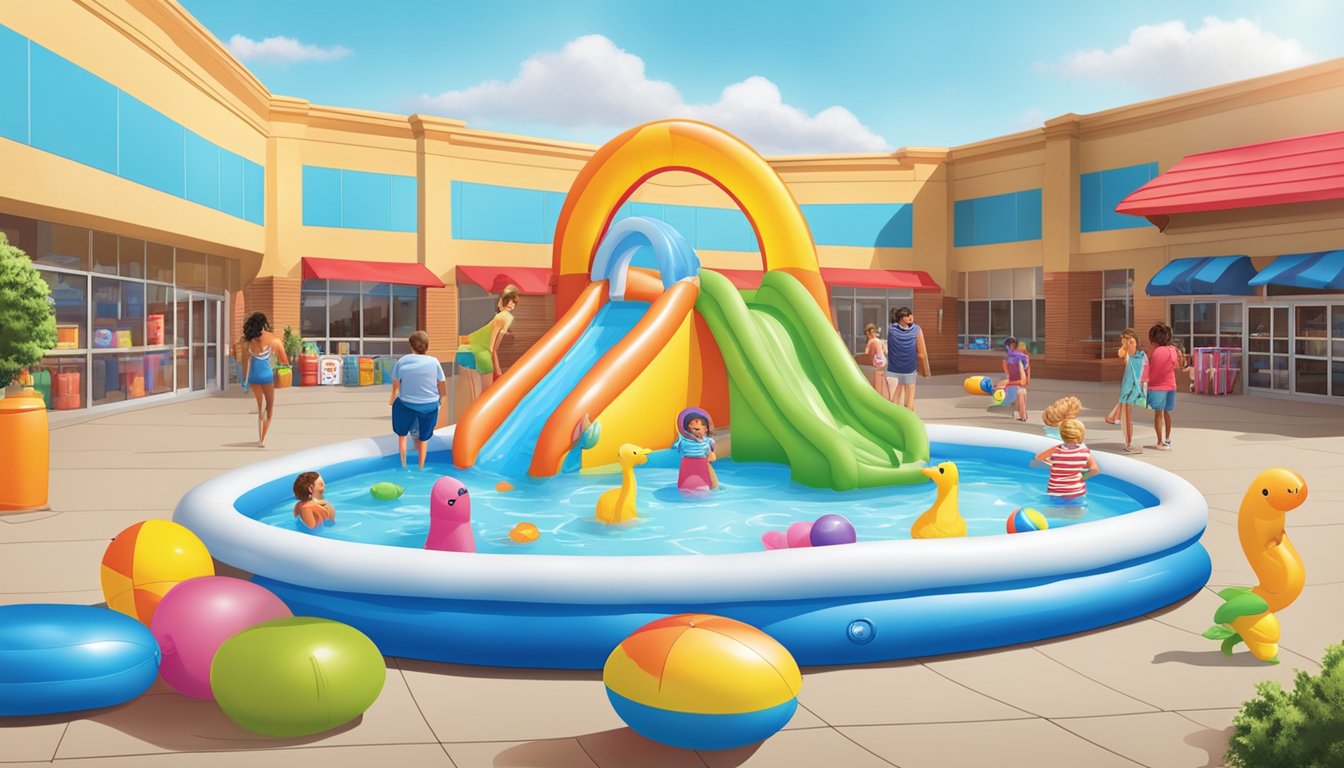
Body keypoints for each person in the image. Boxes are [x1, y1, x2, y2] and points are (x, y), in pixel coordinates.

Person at [390, 331, 448, 470]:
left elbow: (396, 384)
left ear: (411, 346)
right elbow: (441, 383)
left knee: (402, 435)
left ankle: (403, 465)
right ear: (427, 346)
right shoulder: (434, 361)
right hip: (429, 406)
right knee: (424, 438)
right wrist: (442, 399)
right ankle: (421, 467)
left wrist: (392, 397)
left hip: (407, 405)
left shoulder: (402, 361)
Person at [455, 285, 520, 404]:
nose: (511, 304)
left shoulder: (501, 317)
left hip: (466, 350)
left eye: (513, 301)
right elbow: (492, 347)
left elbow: (493, 346)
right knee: (485, 394)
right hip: (477, 352)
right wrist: (498, 370)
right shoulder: (504, 318)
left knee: (478, 394)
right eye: (509, 301)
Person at [241, 312, 288, 448]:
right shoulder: (272, 339)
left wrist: (245, 380)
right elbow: (283, 360)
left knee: (260, 406)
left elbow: (245, 362)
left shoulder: (248, 341)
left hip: (254, 377)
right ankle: (262, 439)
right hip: (266, 376)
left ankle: (259, 434)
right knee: (269, 407)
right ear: (264, 324)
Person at [1033, 418, 1100, 504]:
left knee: (1054, 509)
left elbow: (1038, 457)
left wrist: (1053, 464)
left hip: (1055, 491)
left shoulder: (1056, 450)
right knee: (1076, 513)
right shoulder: (1085, 452)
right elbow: (1095, 470)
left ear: (1061, 435)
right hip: (1076, 491)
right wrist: (1082, 477)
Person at [1104, 328, 1148, 454]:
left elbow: (1145, 371)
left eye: (1125, 339)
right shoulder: (1126, 353)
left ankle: (1114, 417)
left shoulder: (1141, 355)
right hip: (1127, 389)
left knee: (1126, 417)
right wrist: (1126, 345)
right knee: (1127, 418)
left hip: (1136, 388)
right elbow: (1121, 353)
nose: (1123, 342)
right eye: (1123, 340)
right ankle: (1128, 444)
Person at [1142, 322, 1184, 451]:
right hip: (1170, 385)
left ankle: (1159, 442)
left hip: (1157, 387)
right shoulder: (1173, 350)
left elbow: (1145, 367)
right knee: (1167, 413)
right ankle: (1167, 439)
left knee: (1158, 414)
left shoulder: (1152, 351)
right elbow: (1178, 366)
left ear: (1153, 339)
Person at [885, 306, 930, 412]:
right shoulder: (916, 330)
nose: (911, 317)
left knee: (894, 402)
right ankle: (909, 422)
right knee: (909, 403)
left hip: (894, 371)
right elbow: (922, 353)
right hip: (909, 370)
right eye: (907, 315)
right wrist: (925, 370)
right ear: (901, 317)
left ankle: (895, 423)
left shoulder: (891, 330)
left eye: (911, 314)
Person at [673, 408, 719, 491]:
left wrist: (710, 458)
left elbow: (712, 455)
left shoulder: (708, 441)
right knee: (685, 487)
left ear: (706, 429)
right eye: (691, 428)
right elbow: (677, 448)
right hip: (687, 463)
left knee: (711, 484)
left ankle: (711, 487)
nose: (695, 431)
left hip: (702, 463)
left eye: (697, 429)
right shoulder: (684, 441)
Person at [995, 337, 1030, 421]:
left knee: (1021, 394)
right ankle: (1023, 415)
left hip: (1019, 384)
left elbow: (1023, 378)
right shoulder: (1008, 359)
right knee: (1020, 397)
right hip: (1017, 383)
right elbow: (1008, 374)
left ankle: (1023, 416)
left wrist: (1007, 384)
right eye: (1011, 345)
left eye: (1013, 345)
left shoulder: (1020, 359)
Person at [862, 322, 889, 399]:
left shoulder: (871, 342)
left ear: (867, 334)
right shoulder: (879, 340)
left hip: (875, 361)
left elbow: (866, 353)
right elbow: (884, 350)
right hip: (883, 361)